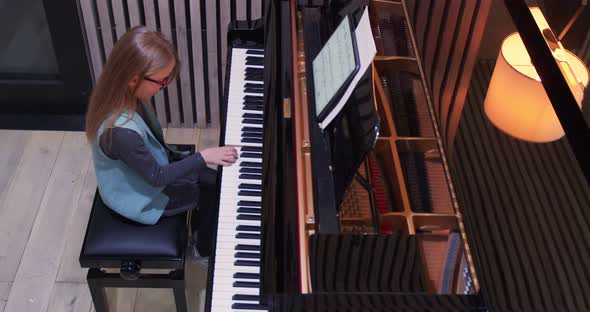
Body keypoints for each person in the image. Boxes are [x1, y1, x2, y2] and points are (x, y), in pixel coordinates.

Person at [85, 26, 237, 262]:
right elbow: (156, 178)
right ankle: (202, 249)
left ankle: (199, 227)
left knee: (211, 178)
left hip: (146, 172)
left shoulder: (121, 95)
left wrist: (199, 161)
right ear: (134, 79)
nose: (164, 86)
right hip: (141, 198)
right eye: (162, 81)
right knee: (212, 193)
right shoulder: (121, 133)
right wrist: (202, 156)